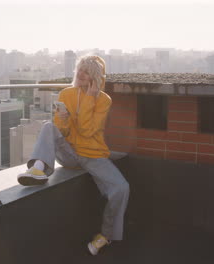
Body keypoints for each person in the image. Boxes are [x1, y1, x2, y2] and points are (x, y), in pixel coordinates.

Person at [17, 55, 130, 256]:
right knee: (49, 126)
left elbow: (88, 131)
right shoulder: (66, 94)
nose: (80, 73)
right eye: (79, 69)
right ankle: (38, 169)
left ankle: (105, 235)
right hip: (68, 153)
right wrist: (62, 119)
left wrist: (89, 98)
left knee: (121, 187)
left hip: (93, 156)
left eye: (86, 71)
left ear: (95, 77)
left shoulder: (104, 100)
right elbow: (64, 132)